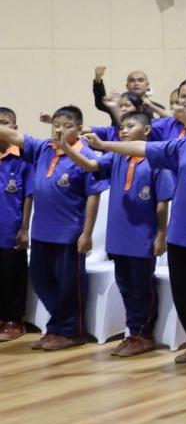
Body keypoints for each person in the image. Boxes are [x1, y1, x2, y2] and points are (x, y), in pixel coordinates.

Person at [89, 99, 186, 368]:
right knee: (184, 293)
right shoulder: (184, 146)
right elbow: (143, 148)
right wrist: (104, 145)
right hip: (178, 236)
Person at [63, 111, 174, 357]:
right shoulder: (117, 156)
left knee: (141, 288)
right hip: (118, 236)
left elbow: (162, 203)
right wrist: (67, 148)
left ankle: (143, 335)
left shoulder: (156, 160)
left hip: (142, 236)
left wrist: (161, 234)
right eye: (121, 127)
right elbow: (91, 165)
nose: (123, 130)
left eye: (130, 126)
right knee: (125, 286)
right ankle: (133, 332)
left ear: (146, 130)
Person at [0, 106, 105, 351]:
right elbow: (14, 136)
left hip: (69, 233)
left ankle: (71, 332)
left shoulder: (85, 155)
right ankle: (57, 327)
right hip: (41, 232)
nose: (59, 130)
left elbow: (93, 196)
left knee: (69, 286)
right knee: (40, 280)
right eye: (56, 125)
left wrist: (87, 233)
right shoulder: (44, 148)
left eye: (67, 126)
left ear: (79, 129)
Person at [0, 107, 32, 342]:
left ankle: (14, 321)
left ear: (14, 127)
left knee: (12, 275)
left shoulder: (22, 158)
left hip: (11, 228)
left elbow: (29, 195)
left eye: (4, 123)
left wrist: (24, 228)